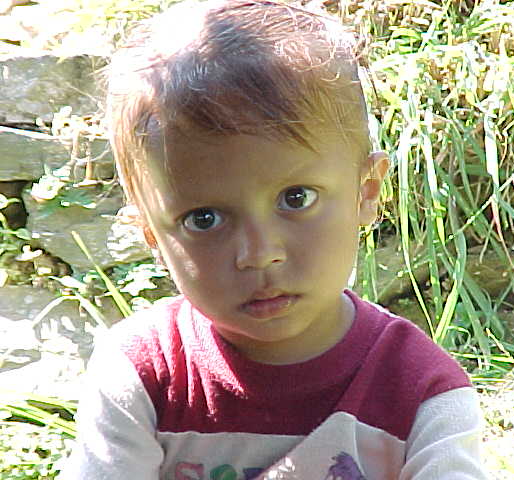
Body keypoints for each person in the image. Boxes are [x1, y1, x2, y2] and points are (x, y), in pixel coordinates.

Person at [61, 1, 488, 478]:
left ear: (365, 192)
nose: (259, 254)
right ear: (152, 236)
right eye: (204, 219)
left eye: (296, 198)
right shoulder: (141, 375)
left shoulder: (422, 395)